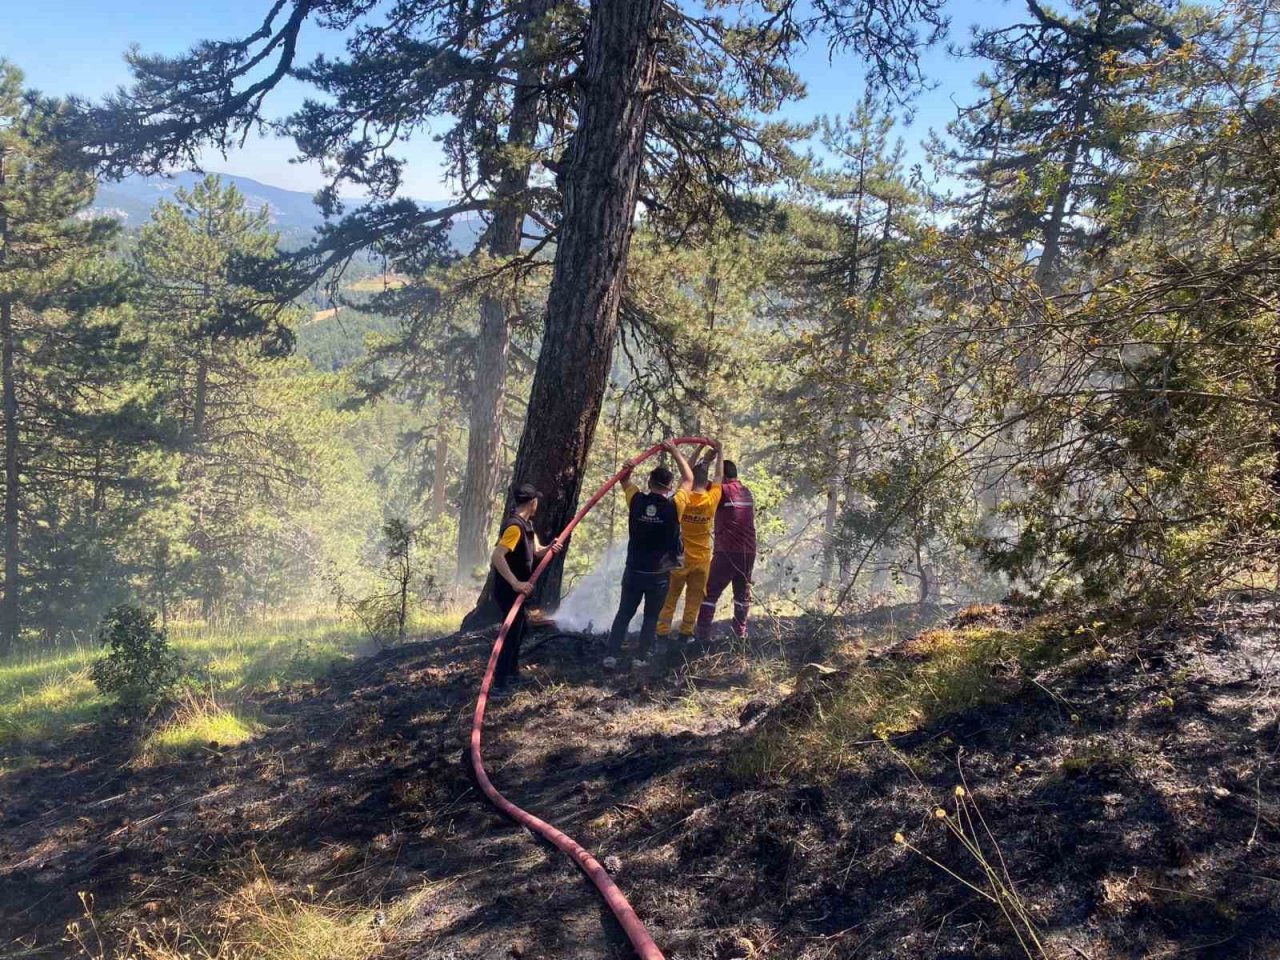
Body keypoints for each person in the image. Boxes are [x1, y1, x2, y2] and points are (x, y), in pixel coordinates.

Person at [604, 441, 694, 671]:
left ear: (649, 483)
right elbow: (689, 479)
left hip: (634, 570)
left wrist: (629, 467)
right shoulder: (675, 505)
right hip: (659, 574)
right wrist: (674, 451)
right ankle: (641, 657)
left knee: (624, 613)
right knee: (651, 618)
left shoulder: (636, 500)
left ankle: (611, 656)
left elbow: (624, 480)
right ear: (669, 486)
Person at [489, 483, 559, 696]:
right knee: (510, 635)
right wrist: (515, 583)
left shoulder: (526, 525)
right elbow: (497, 556)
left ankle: (512, 673)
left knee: (520, 631)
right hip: (509, 591)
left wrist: (550, 549)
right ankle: (500, 685)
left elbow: (536, 551)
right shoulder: (514, 527)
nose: (537, 503)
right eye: (536, 500)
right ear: (532, 502)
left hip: (520, 591)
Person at [657, 440, 723, 662]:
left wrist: (697, 450)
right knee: (694, 599)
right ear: (706, 484)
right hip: (702, 561)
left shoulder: (682, 499)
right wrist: (719, 452)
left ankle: (662, 637)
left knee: (670, 598)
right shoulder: (711, 499)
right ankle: (685, 636)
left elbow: (686, 475)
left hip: (679, 559)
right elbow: (719, 478)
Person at [696, 457, 756, 643]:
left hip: (727, 552)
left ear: (722, 476)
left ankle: (702, 636)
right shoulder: (746, 491)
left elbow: (697, 478)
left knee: (709, 592)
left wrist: (707, 459)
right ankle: (740, 634)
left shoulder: (722, 490)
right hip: (749, 552)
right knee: (741, 593)